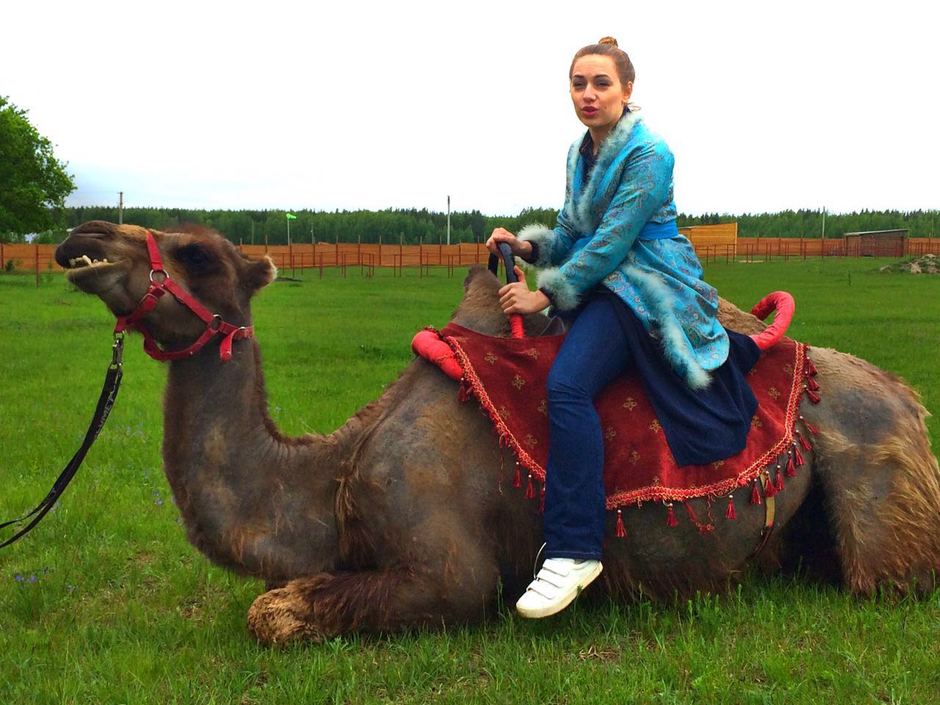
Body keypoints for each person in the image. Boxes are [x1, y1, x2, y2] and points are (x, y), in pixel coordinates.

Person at [486, 37, 760, 619]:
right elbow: (572, 230)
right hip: (602, 279)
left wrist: (543, 295)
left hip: (646, 283)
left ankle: (575, 550)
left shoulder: (650, 153)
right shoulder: (579, 151)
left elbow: (611, 242)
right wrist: (527, 246)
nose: (588, 94)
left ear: (627, 89)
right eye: (578, 83)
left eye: (601, 83)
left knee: (567, 385)